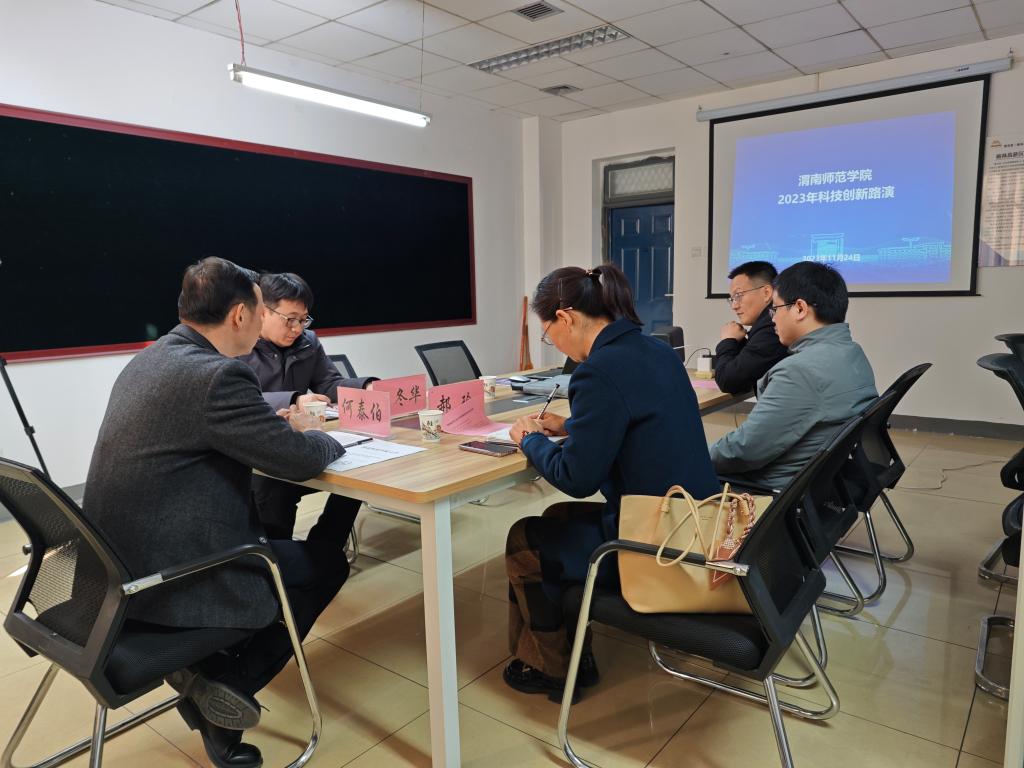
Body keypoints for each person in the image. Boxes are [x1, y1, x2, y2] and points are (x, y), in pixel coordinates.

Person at [83, 257, 348, 768]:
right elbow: (297, 460)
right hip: (170, 574)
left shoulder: (151, 358)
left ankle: (210, 682)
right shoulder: (218, 375)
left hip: (113, 568)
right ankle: (228, 686)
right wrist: (325, 436)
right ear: (240, 316)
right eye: (261, 310)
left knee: (277, 541)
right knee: (325, 563)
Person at [504, 263, 720, 702]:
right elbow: (636, 418)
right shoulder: (655, 349)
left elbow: (576, 477)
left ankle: (551, 668)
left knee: (524, 541)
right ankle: (573, 650)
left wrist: (529, 439)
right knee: (557, 518)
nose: (554, 344)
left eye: (548, 334)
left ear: (564, 318)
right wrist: (572, 426)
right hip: (696, 520)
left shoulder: (598, 371)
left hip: (656, 543)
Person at [709, 261, 877, 490]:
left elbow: (743, 451)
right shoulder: (852, 353)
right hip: (822, 486)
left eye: (775, 309)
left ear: (799, 308)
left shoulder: (799, 371)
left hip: (768, 491)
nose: (772, 319)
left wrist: (694, 457)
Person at [240, 272, 376, 542]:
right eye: (290, 319)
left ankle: (325, 548)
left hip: (301, 444)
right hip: (259, 452)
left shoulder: (308, 342)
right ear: (263, 312)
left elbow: (329, 383)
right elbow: (241, 399)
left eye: (303, 319)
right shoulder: (241, 346)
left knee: (360, 475)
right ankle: (282, 558)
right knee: (275, 490)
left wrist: (366, 387)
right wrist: (293, 399)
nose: (297, 328)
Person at [714, 260, 788, 394]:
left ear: (767, 293)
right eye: (732, 299)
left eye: (738, 295)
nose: (734, 306)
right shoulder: (766, 325)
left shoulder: (773, 329)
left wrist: (728, 340)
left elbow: (728, 381)